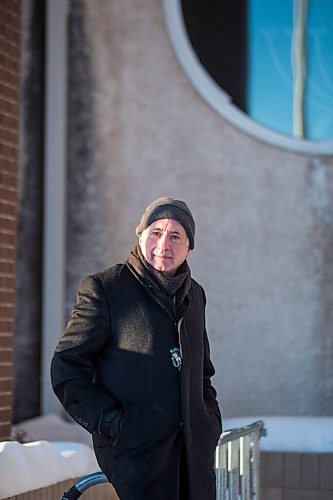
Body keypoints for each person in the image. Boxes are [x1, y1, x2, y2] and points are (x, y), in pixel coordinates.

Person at [51, 197, 222, 500]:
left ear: (189, 247)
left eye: (175, 236)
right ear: (140, 235)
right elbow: (67, 367)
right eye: (156, 232)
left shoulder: (195, 296)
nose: (163, 244)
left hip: (194, 461)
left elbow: (203, 372)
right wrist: (111, 423)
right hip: (137, 457)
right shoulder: (106, 288)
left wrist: (209, 422)